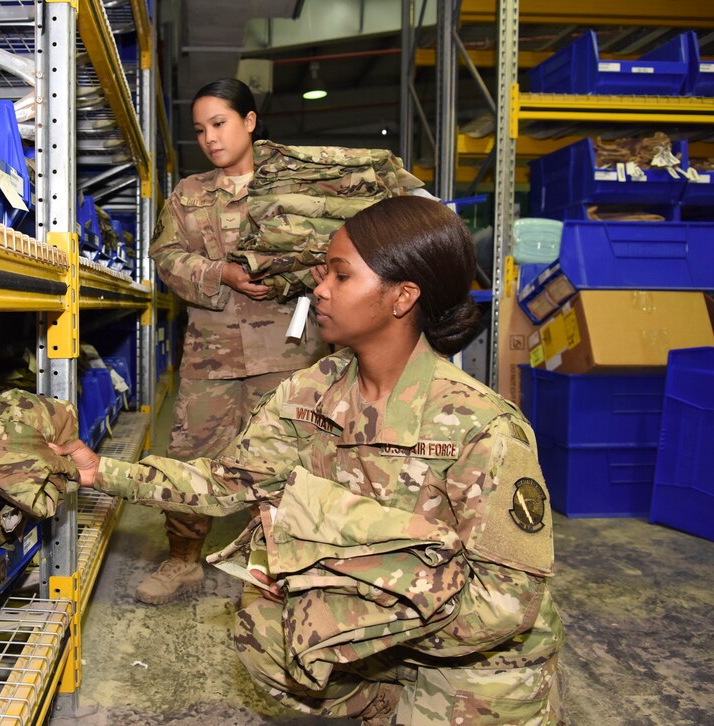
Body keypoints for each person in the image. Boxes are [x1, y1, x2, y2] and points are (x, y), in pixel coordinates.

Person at [53, 196, 565, 724]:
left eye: (340, 277)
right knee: (263, 619)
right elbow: (228, 483)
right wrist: (100, 471)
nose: (318, 289)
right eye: (323, 274)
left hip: (472, 663)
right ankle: (377, 704)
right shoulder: (314, 389)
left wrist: (343, 618)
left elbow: (506, 604)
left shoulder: (483, 426)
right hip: (371, 634)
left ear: (402, 297)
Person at [137, 78, 328, 605]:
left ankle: (279, 572)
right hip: (212, 352)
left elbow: (335, 253)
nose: (210, 138)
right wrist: (220, 273)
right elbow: (166, 257)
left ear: (248, 121)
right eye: (199, 130)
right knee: (190, 458)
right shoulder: (190, 194)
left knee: (284, 463)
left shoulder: (297, 187)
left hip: (288, 352)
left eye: (219, 123)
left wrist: (293, 274)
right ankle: (182, 561)